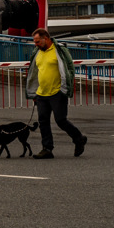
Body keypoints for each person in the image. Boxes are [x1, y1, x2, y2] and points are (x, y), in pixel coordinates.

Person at [25, 28, 87, 159]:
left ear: (45, 39)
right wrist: (34, 93)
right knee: (43, 121)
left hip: (57, 92)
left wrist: (67, 87)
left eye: (37, 42)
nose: (35, 45)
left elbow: (69, 68)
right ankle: (47, 148)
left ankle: (79, 138)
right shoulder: (37, 52)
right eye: (34, 42)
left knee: (61, 120)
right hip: (41, 93)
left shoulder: (60, 51)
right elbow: (35, 72)